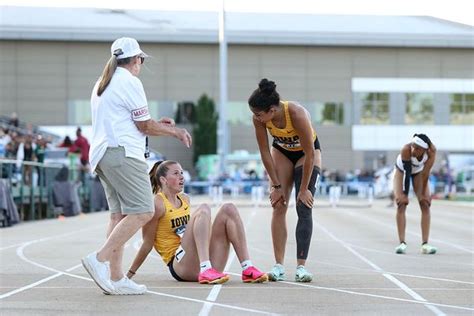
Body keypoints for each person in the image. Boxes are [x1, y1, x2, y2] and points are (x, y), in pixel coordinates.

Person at [81, 37, 192, 295]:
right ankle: (100, 260)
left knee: (119, 215)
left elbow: (133, 121)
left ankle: (117, 277)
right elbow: (143, 126)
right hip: (123, 154)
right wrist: (174, 131)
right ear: (136, 60)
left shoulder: (102, 82)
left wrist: (160, 125)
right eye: (141, 59)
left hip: (103, 154)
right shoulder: (130, 81)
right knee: (144, 210)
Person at [127, 160, 268, 284]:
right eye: (176, 173)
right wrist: (129, 274)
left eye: (182, 173)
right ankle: (206, 269)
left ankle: (247, 268)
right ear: (163, 180)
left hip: (198, 259)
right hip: (179, 264)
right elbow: (147, 243)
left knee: (228, 209)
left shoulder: (185, 199)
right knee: (203, 209)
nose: (181, 177)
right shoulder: (157, 203)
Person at [247, 78, 322, 282]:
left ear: (272, 110)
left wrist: (304, 189)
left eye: (259, 114)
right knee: (278, 205)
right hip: (282, 151)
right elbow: (264, 151)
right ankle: (278, 265)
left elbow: (310, 152)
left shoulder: (295, 113)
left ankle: (301, 267)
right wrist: (276, 186)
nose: (256, 118)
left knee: (303, 205)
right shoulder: (259, 119)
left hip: (307, 154)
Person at [393, 133, 437, 255]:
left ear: (425, 150)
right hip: (401, 172)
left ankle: (425, 244)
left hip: (419, 173)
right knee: (401, 203)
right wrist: (404, 195)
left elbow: (426, 173)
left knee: (425, 203)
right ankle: (402, 243)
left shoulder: (431, 152)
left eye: (417, 149)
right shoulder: (406, 150)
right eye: (413, 146)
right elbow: (407, 174)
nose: (414, 150)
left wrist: (423, 193)